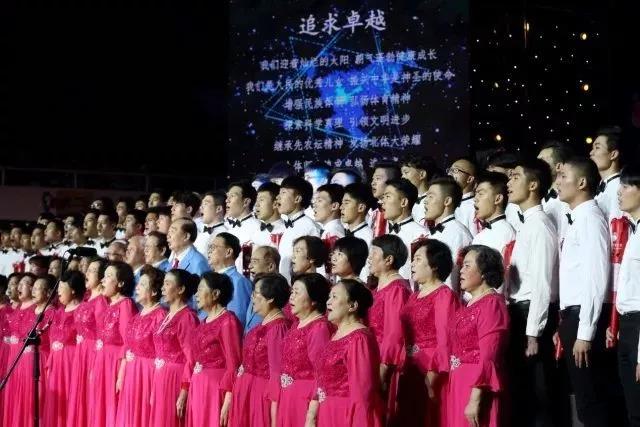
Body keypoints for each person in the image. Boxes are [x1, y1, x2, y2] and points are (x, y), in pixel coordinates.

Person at [556, 156, 611, 427]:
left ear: (581, 182)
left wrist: (585, 332)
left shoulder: (590, 218)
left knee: (591, 400)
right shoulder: (578, 218)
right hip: (573, 318)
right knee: (584, 399)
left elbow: (595, 277)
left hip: (584, 319)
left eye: (563, 176)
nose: (557, 182)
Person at [506, 158, 561, 427]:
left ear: (534, 185)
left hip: (531, 315)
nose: (509, 182)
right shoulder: (528, 223)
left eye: (516, 176)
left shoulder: (539, 225)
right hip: (521, 313)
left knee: (537, 393)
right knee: (523, 393)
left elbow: (542, 283)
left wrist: (533, 332)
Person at [397, 239, 458, 427]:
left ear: (434, 265)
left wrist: (432, 377)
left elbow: (445, 339)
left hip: (430, 369)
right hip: (410, 367)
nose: (412, 264)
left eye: (417, 259)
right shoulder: (414, 296)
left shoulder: (444, 294)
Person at [447, 245, 509, 427]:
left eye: (467, 266)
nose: (461, 271)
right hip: (458, 381)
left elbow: (489, 355)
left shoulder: (492, 304)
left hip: (476, 385)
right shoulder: (469, 304)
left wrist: (475, 399)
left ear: (483, 272)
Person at [308, 279, 383, 427]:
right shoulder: (335, 334)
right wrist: (312, 415)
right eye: (329, 297)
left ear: (352, 305)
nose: (328, 302)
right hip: (327, 411)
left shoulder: (359, 338)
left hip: (346, 414)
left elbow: (362, 393)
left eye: (335, 297)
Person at [229, 273, 290, 427]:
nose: (252, 297)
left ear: (270, 298)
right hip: (246, 390)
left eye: (256, 293)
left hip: (261, 395)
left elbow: (276, 372)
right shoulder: (261, 325)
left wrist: (274, 412)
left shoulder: (278, 328)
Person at [185, 272, 242, 427]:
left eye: (200, 289)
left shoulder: (228, 321)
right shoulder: (203, 322)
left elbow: (234, 363)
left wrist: (228, 399)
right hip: (198, 386)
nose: (196, 294)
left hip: (216, 388)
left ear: (216, 293)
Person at [277, 273, 333, 427]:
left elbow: (321, 374)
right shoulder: (296, 324)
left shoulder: (319, 328)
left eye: (297, 292)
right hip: (288, 396)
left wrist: (312, 413)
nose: (292, 297)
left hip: (306, 399)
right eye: (292, 292)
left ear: (313, 300)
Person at [367, 234, 411, 425]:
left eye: (374, 253)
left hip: (385, 363)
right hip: (371, 358)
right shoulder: (377, 290)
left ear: (389, 259)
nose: (369, 258)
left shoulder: (397, 289)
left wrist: (383, 368)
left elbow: (394, 333)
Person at [115, 265, 166, 427]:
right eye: (138, 283)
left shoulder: (160, 315)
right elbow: (127, 347)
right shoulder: (136, 316)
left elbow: (162, 352)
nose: (137, 287)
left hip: (148, 374)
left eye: (143, 284)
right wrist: (121, 375)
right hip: (131, 373)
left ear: (154, 291)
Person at [89, 261, 137, 427]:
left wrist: (121, 374)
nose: (103, 280)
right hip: (101, 361)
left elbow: (127, 342)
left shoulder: (125, 304)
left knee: (111, 409)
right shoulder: (107, 304)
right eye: (103, 276)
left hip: (114, 363)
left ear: (121, 283)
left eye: (109, 276)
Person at [150, 269, 199, 427]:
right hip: (160, 377)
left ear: (181, 289)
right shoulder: (167, 315)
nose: (162, 288)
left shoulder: (187, 317)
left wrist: (184, 390)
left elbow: (191, 357)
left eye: (167, 284)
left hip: (175, 378)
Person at [612, 163, 640, 427]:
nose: (619, 192)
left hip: (638, 328)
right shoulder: (633, 231)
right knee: (632, 409)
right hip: (628, 326)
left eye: (626, 185)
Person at [67, 258, 108, 426]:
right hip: (80, 353)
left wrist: (96, 363)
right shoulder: (87, 299)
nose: (87, 273)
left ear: (101, 277)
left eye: (92, 271)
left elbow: (102, 335)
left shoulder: (101, 302)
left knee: (89, 398)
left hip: (92, 353)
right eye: (88, 270)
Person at [44, 270, 85, 427]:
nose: (58, 291)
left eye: (62, 287)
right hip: (56, 364)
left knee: (69, 402)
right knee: (54, 405)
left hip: (71, 363)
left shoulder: (82, 310)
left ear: (73, 290)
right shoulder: (58, 312)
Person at [424, 176, 473, 289]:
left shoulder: (458, 233)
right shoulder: (430, 233)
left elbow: (454, 279)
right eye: (426, 196)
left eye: (430, 196)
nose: (425, 201)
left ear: (447, 201)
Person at [380, 178, 428, 280]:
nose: (382, 202)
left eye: (388, 196)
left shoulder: (421, 235)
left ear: (404, 202)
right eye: (383, 197)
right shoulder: (385, 233)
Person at [276, 176, 320, 282]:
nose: (278, 197)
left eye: (283, 192)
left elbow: (316, 264)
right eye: (279, 193)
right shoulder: (288, 225)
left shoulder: (309, 227)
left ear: (297, 199)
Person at [207, 232, 253, 328]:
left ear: (228, 252)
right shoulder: (208, 279)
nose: (209, 251)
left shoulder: (238, 282)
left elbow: (237, 320)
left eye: (213, 247)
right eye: (209, 247)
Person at [401, 154, 442, 225]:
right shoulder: (403, 200)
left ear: (422, 174)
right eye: (402, 173)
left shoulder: (435, 201)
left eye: (406, 172)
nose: (402, 177)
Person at [448, 157, 480, 236]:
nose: (450, 174)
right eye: (450, 170)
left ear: (469, 179)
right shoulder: (447, 201)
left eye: (455, 170)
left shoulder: (474, 206)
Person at [370, 161, 401, 238]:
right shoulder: (372, 215)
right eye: (373, 179)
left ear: (392, 182)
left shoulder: (401, 213)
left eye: (378, 178)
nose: (373, 183)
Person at [193, 191, 227, 256]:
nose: (201, 207)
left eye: (205, 204)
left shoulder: (226, 234)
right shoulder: (200, 233)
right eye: (201, 204)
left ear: (218, 209)